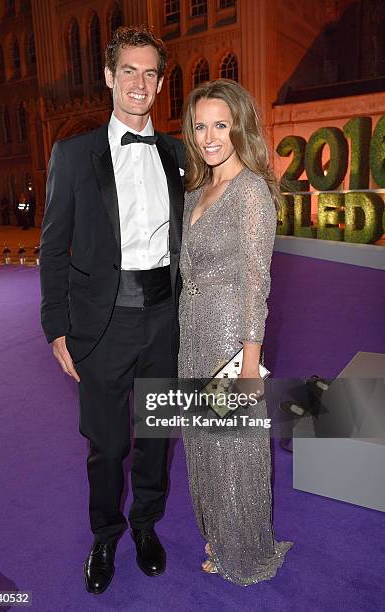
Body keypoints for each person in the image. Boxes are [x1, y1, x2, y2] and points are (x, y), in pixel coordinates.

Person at [40, 26, 184, 595]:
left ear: (161, 82)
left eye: (150, 73)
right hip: (100, 325)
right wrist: (56, 328)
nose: (140, 83)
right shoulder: (74, 155)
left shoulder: (175, 151)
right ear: (108, 76)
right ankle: (105, 534)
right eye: (129, 71)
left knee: (155, 435)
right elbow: (52, 248)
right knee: (107, 445)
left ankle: (146, 526)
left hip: (163, 319)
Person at [179, 79, 292, 584]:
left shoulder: (250, 191)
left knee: (233, 446)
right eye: (200, 126)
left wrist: (250, 360)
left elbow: (255, 279)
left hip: (230, 334)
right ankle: (218, 534)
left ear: (239, 126)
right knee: (202, 440)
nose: (208, 137)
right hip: (193, 330)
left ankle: (243, 550)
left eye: (220, 125)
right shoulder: (197, 190)